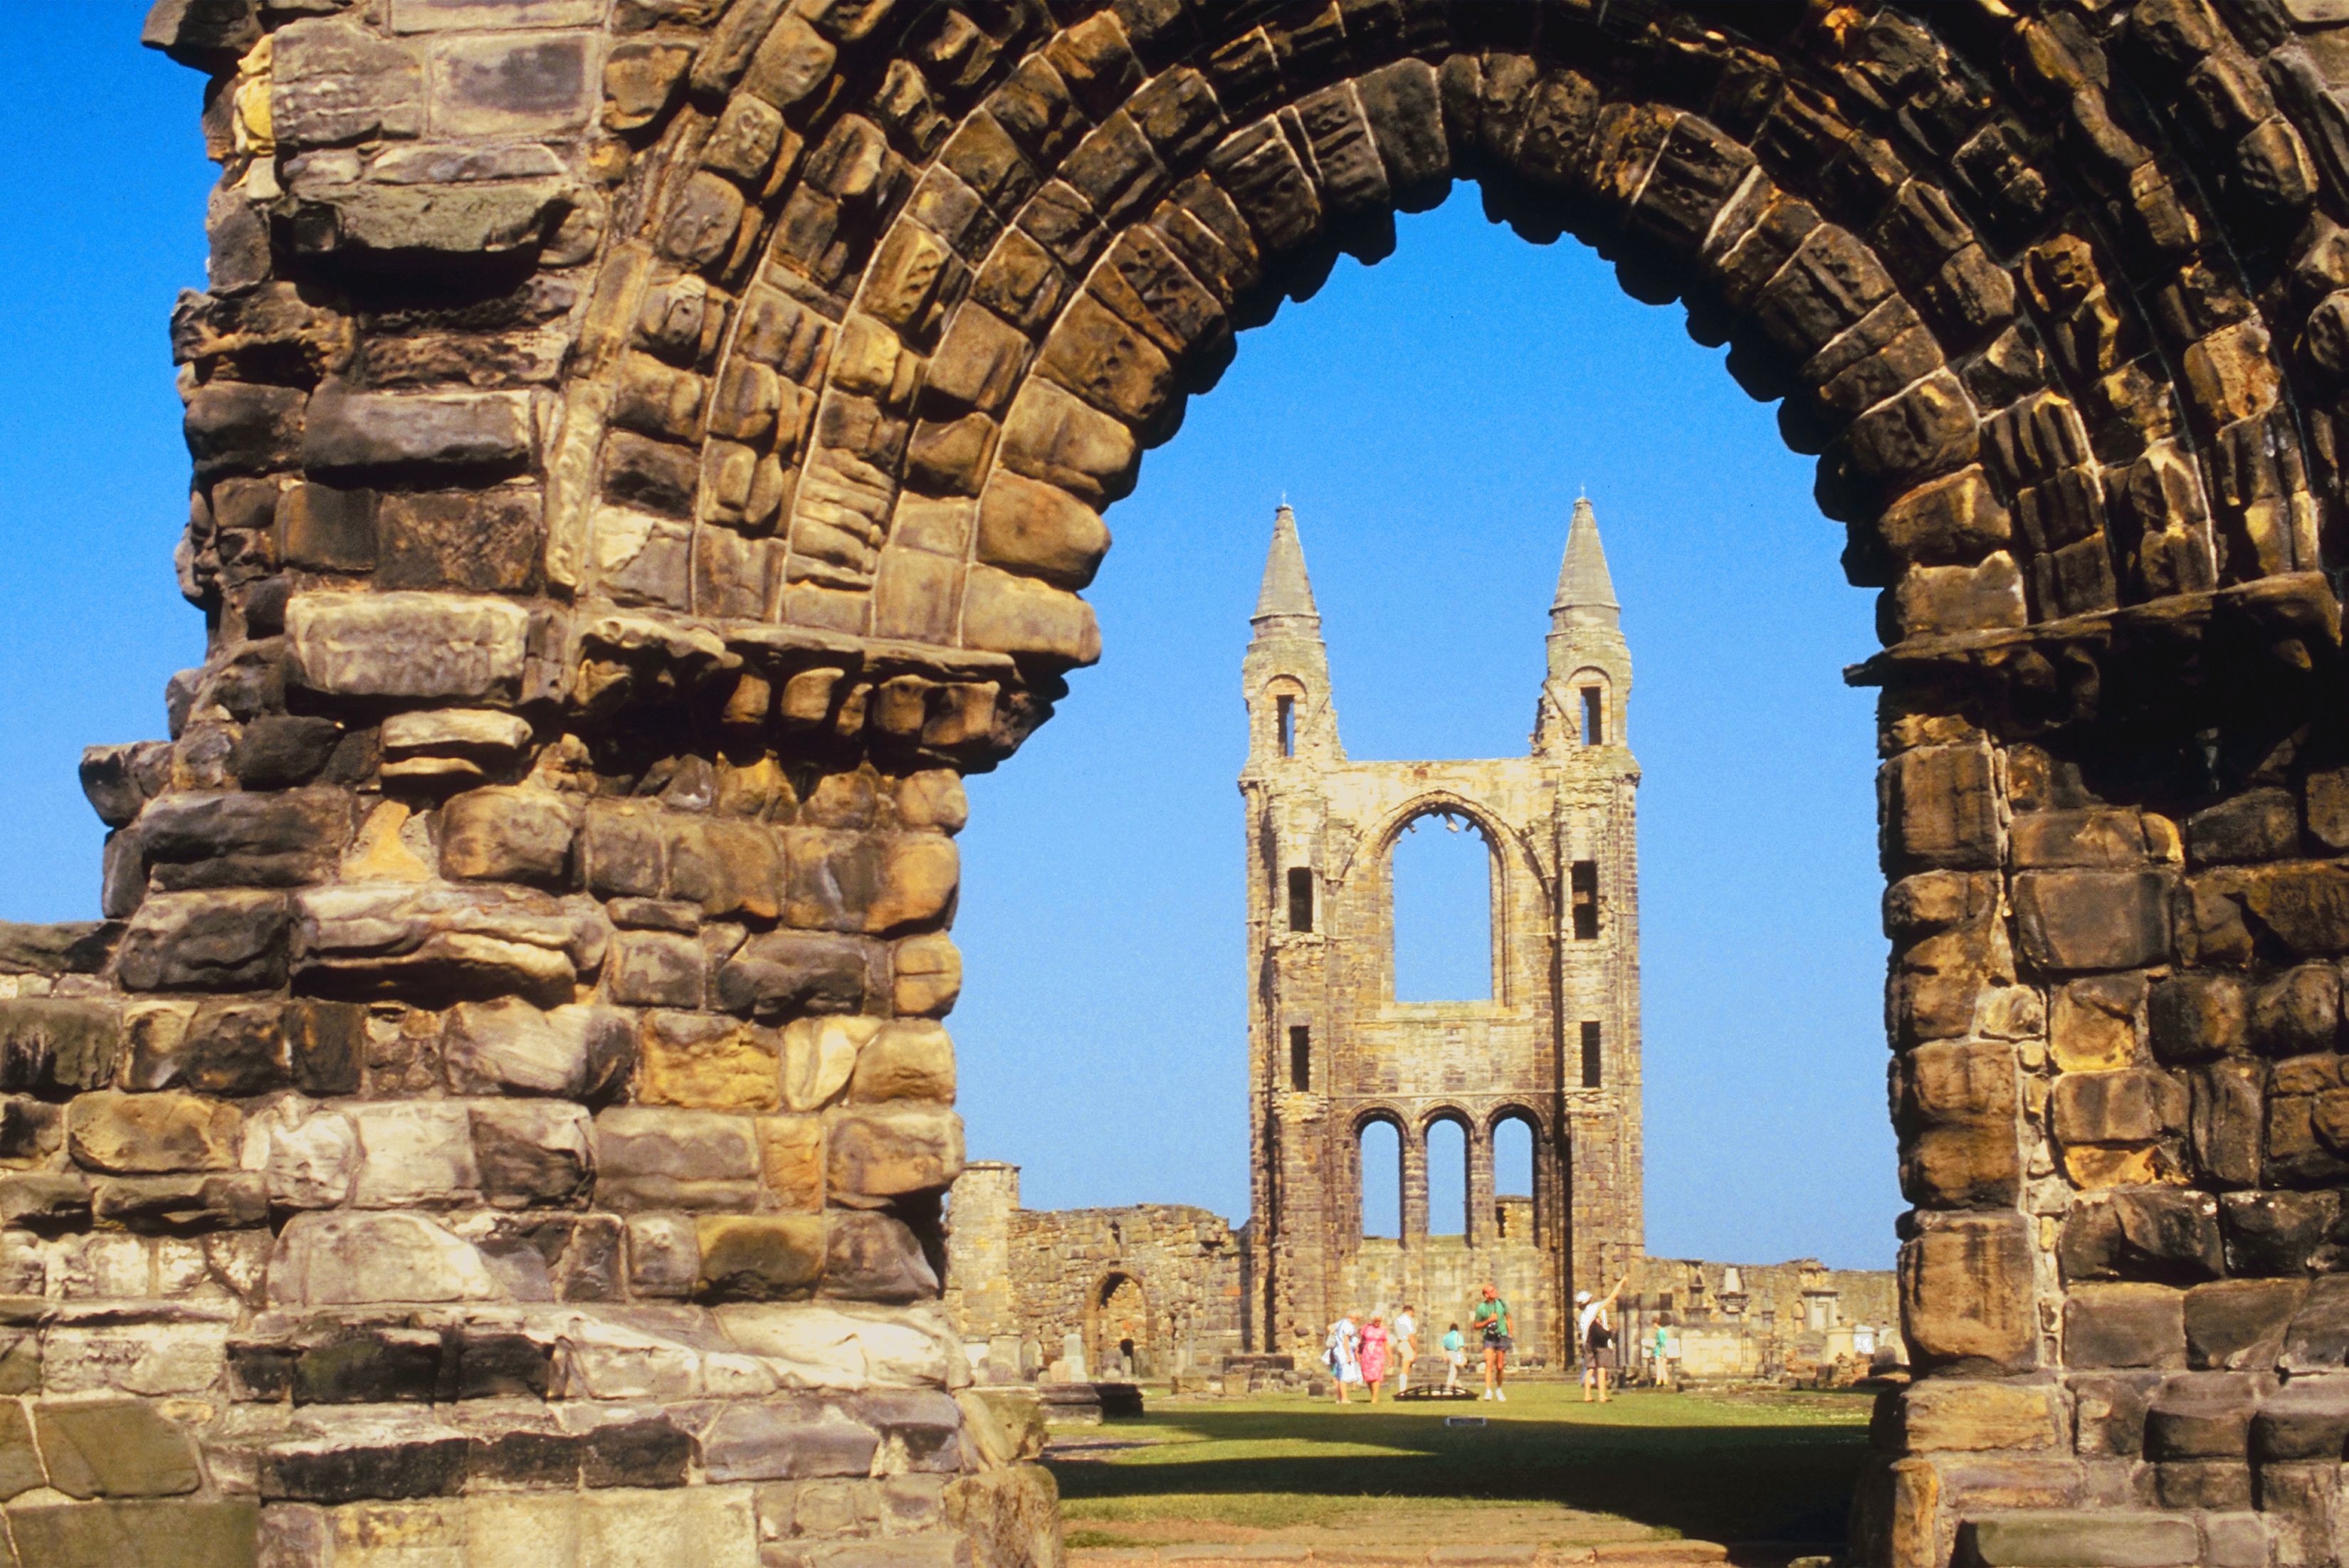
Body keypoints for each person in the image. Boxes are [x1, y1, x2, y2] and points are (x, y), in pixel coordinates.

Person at [1577, 1274, 1630, 1404]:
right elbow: (1612, 1297)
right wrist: (1621, 1282)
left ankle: (1587, 1396)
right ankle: (1602, 1395)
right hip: (1600, 1343)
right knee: (1601, 1368)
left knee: (1590, 1369)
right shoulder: (1593, 1308)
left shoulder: (1582, 1316)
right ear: (1588, 1300)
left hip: (1587, 1344)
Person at [1471, 1284, 1511, 1401]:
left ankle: (1499, 1389)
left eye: (1494, 1289)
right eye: (1492, 1291)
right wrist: (1488, 1321)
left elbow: (1508, 1318)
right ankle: (1488, 1391)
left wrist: (1510, 1333)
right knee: (1489, 1363)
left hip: (1501, 1336)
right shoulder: (1481, 1308)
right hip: (1489, 1337)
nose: (1495, 1291)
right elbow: (1476, 1325)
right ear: (1486, 1295)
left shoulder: (1502, 1303)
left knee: (1499, 1366)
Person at [1325, 1312, 1361, 1403]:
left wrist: (1336, 1335)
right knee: (1344, 1375)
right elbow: (1346, 1341)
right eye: (1356, 1318)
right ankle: (1344, 1398)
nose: (1357, 1320)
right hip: (1343, 1352)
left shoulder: (1341, 1323)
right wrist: (1348, 1355)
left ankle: (1339, 1398)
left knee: (1338, 1375)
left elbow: (1329, 1327)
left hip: (1337, 1351)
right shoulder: (1348, 1326)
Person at [1360, 1314, 1390, 1404]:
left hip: (1378, 1354)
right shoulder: (1366, 1328)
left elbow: (1386, 1343)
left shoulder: (1383, 1330)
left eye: (1379, 1321)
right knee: (1369, 1377)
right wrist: (1358, 1353)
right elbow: (1362, 1341)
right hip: (1367, 1354)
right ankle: (1373, 1394)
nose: (1378, 1323)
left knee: (1376, 1375)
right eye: (1376, 1321)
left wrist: (1390, 1356)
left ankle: (1375, 1398)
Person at [1393, 1305, 1418, 1396]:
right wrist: (1415, 1349)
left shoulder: (1398, 1320)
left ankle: (1403, 1388)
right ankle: (1402, 1391)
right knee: (1406, 1367)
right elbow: (1410, 1335)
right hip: (1407, 1343)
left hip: (1400, 1343)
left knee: (1406, 1367)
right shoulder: (1408, 1320)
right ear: (1410, 1311)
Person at [1441, 1322, 1467, 1391]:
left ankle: (1459, 1388)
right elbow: (1461, 1348)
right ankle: (1448, 1388)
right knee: (1453, 1372)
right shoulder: (1458, 1336)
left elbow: (1443, 1348)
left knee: (1454, 1371)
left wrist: (1444, 1356)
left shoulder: (1446, 1337)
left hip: (1449, 1353)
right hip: (1457, 1353)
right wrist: (1463, 1357)